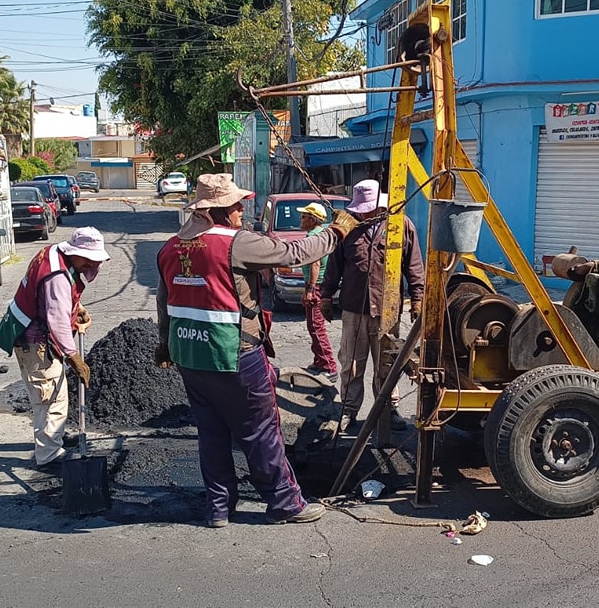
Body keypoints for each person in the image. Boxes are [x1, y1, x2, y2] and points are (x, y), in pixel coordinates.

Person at [155, 173, 357, 528]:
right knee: (260, 429)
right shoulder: (234, 243)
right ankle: (284, 502)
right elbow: (294, 253)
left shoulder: (171, 247)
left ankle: (219, 508)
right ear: (219, 210)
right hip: (234, 352)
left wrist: (164, 342)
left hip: (188, 354)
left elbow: (164, 300)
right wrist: (335, 233)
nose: (241, 211)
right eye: (236, 206)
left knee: (212, 432)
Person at [0, 227, 108, 468]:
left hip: (36, 334)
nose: (90, 264)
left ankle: (54, 436)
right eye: (88, 259)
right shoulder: (56, 274)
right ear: (75, 252)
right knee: (50, 397)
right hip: (35, 342)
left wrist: (78, 308)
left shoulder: (55, 253)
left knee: (57, 391)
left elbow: (56, 301)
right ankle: (48, 455)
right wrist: (74, 357)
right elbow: (56, 320)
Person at [319, 179, 425, 433]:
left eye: (368, 207)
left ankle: (388, 408)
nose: (363, 212)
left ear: (379, 206)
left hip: (387, 309)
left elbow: (413, 264)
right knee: (351, 363)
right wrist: (325, 295)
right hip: (354, 308)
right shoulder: (348, 228)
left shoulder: (401, 226)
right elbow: (334, 265)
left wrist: (418, 298)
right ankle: (348, 409)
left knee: (387, 363)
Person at [297, 202, 338, 382]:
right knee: (312, 326)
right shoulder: (319, 235)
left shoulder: (314, 238)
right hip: (315, 285)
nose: (301, 219)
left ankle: (329, 365)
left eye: (304, 216)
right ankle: (319, 361)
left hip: (317, 287)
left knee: (316, 326)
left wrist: (310, 290)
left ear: (313, 220)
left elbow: (315, 264)